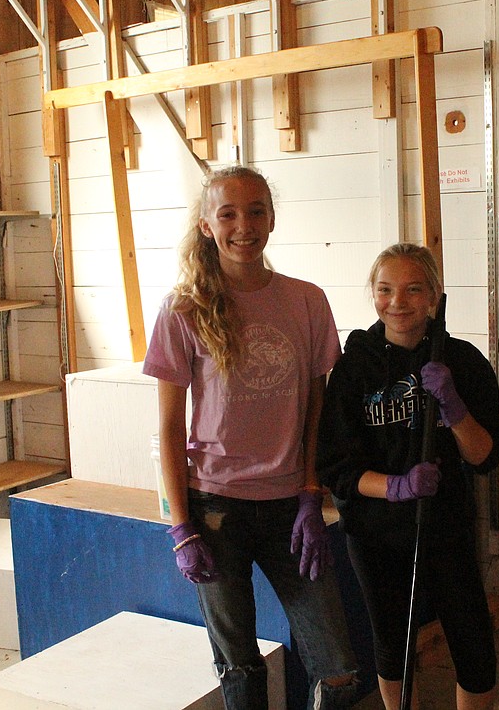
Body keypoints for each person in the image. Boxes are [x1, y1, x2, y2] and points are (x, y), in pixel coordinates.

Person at [142, 165, 358, 710]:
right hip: (215, 509)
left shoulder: (306, 301)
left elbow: (316, 408)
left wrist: (312, 493)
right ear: (208, 225)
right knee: (239, 667)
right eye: (229, 213)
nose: (245, 225)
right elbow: (168, 427)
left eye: (256, 210)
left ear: (273, 218)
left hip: (290, 506)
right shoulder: (182, 308)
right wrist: (181, 527)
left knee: (337, 668)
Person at [317, 243, 499, 710]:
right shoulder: (352, 370)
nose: (397, 302)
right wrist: (397, 487)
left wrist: (456, 409)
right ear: (373, 294)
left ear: (434, 297)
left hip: (444, 523)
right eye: (385, 290)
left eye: (412, 289)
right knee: (393, 642)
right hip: (375, 528)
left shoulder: (462, 362)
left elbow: (484, 456)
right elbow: (337, 469)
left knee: (473, 641)